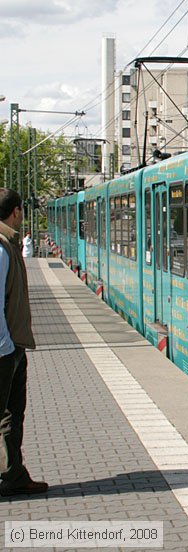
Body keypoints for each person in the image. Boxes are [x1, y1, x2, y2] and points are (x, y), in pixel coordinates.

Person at [0, 189, 47, 497]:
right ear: (16, 211)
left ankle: (13, 474)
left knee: (11, 415)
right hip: (5, 349)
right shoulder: (1, 248)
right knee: (7, 414)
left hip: (11, 346)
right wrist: (7, 348)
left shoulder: (7, 244)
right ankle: (11, 475)